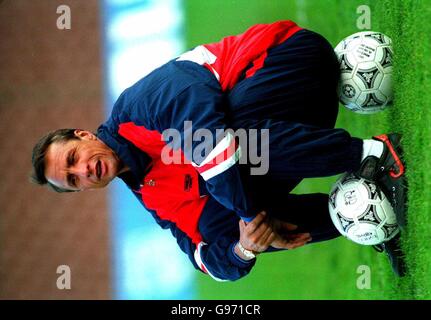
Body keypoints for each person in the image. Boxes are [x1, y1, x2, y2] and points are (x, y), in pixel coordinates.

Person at [31, 20, 407, 281]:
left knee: (224, 151)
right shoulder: (154, 198)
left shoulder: (137, 109)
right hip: (296, 127)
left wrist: (245, 211)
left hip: (295, 62)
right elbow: (204, 259)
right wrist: (246, 246)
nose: (82, 170)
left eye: (72, 159)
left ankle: (377, 153)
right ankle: (364, 214)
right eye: (72, 180)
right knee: (219, 225)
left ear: (83, 136)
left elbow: (211, 140)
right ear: (83, 190)